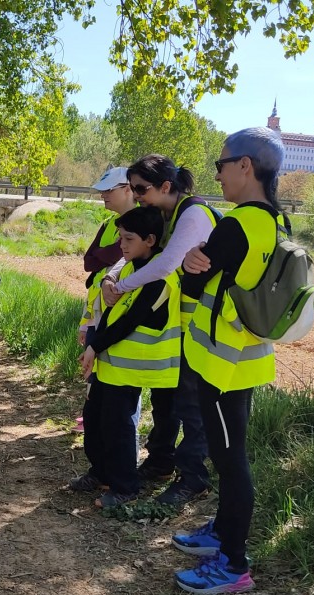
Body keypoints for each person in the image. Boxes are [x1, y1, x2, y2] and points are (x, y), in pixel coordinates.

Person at [169, 127, 286, 595]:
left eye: (221, 164)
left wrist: (188, 264)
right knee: (231, 453)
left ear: (245, 166)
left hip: (221, 363)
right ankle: (221, 531)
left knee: (230, 459)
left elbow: (194, 284)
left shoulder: (236, 225)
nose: (215, 173)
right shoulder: (273, 222)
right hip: (249, 359)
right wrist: (196, 260)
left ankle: (234, 564)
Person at [102, 154, 219, 507]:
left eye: (141, 189)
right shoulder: (168, 214)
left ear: (166, 187)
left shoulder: (193, 214)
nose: (135, 195)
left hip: (200, 325)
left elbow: (166, 264)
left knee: (189, 405)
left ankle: (193, 478)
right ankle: (160, 462)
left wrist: (121, 287)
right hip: (179, 327)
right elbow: (140, 250)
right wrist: (113, 274)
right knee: (169, 401)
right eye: (133, 188)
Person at [74, 206, 180, 508]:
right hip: (113, 362)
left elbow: (130, 319)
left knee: (118, 428)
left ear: (150, 239)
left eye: (128, 239)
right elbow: (111, 313)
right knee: (95, 421)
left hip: (135, 366)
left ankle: (124, 488)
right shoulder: (132, 267)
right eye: (121, 237)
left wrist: (95, 347)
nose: (122, 245)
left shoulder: (161, 276)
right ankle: (102, 473)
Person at [73, 166, 140, 434]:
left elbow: (107, 256)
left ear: (127, 190)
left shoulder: (143, 222)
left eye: (108, 190)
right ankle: (95, 423)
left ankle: (117, 438)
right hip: (96, 310)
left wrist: (105, 254)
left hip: (119, 313)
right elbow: (89, 261)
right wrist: (106, 254)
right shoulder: (107, 225)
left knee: (119, 385)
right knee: (93, 370)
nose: (103, 196)